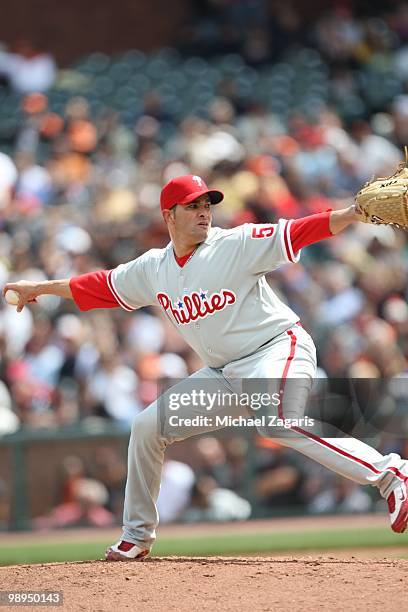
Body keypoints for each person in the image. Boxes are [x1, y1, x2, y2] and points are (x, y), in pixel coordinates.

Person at [4, 174, 408, 561]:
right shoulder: (153, 268)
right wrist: (39, 288)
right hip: (224, 374)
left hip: (276, 348)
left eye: (206, 204)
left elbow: (301, 230)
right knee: (147, 427)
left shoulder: (234, 244)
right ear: (168, 215)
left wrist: (354, 213)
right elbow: (99, 286)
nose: (203, 211)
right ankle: (136, 536)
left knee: (278, 422)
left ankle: (393, 475)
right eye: (192, 205)